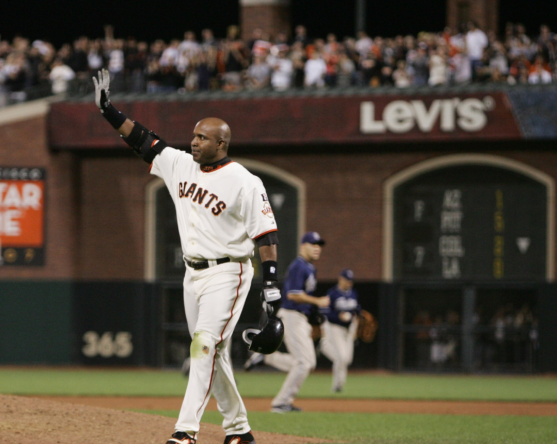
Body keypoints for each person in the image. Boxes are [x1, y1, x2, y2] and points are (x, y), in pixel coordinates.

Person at [92, 68, 281, 444]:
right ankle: (239, 431)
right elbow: (143, 141)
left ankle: (185, 431)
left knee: (204, 345)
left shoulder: (244, 181)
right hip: (192, 274)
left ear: (221, 144)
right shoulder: (180, 165)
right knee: (213, 352)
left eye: (202, 137)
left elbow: (266, 233)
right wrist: (109, 111)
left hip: (230, 272)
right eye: (194, 135)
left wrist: (271, 283)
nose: (194, 142)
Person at [244, 231, 330, 413]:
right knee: (304, 363)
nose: (317, 248)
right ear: (302, 246)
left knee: (308, 362)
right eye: (312, 244)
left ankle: (267, 357)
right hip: (292, 316)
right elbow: (292, 294)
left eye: (319, 245)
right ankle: (281, 403)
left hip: (300, 318)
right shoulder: (299, 266)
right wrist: (318, 302)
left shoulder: (309, 267)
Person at [319, 269, 361, 393]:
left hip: (349, 329)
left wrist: (355, 322)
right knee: (341, 357)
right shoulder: (332, 293)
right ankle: (338, 385)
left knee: (347, 359)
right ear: (340, 279)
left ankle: (324, 347)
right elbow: (325, 312)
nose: (349, 283)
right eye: (347, 280)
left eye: (351, 280)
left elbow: (357, 310)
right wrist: (338, 316)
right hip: (335, 327)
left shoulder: (353, 293)